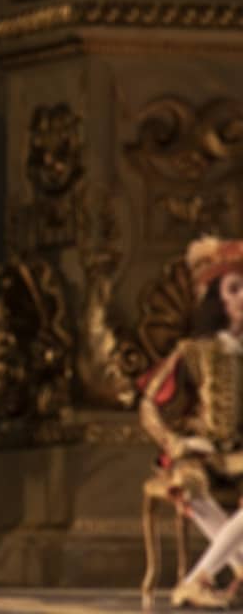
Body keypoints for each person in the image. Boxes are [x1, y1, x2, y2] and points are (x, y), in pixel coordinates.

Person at [141, 236, 243, 610]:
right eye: (235, 288)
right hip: (202, 450)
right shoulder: (195, 351)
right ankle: (210, 576)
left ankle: (195, 580)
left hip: (239, 453)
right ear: (219, 298)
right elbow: (149, 405)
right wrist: (174, 442)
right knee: (190, 483)